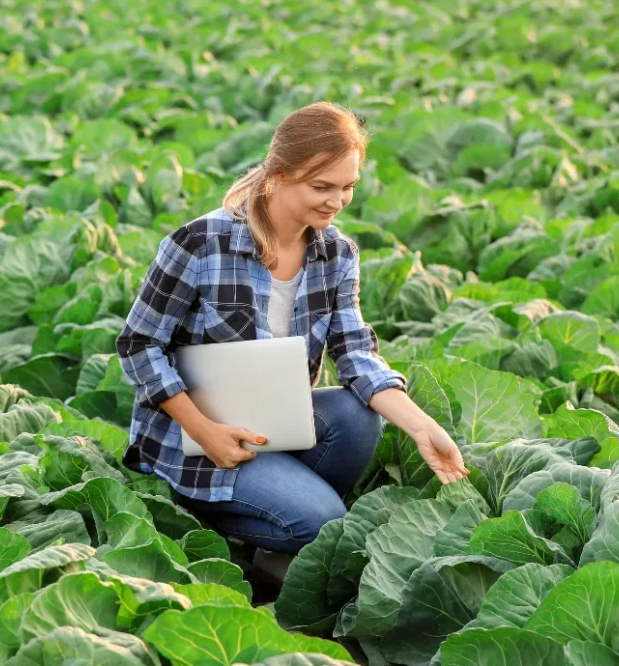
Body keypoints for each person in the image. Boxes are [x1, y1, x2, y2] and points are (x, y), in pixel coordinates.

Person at [114, 101, 469, 567]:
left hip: (275, 428)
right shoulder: (200, 243)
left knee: (356, 416)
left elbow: (355, 353)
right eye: (321, 187)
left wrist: (424, 429)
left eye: (348, 187)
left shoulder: (337, 254)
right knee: (325, 522)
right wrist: (205, 430)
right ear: (278, 174)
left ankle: (276, 529)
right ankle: (206, 515)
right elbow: (139, 345)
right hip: (195, 440)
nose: (337, 201)